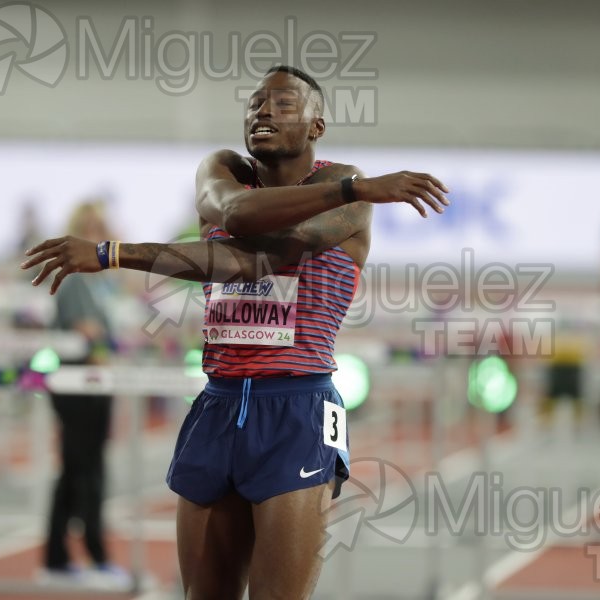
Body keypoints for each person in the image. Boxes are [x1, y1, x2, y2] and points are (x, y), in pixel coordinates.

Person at [22, 65, 448, 599]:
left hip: (296, 408)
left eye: (283, 104)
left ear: (318, 126)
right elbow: (237, 213)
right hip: (217, 405)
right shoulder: (224, 170)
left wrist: (114, 253)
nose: (262, 111)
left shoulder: (347, 196)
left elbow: (255, 259)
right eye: (254, 103)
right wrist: (356, 186)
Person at [40, 200, 129, 588]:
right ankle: (92, 557)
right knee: (85, 473)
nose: (98, 235)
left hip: (95, 384)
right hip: (80, 386)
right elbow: (89, 334)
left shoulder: (100, 283)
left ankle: (58, 558)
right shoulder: (75, 278)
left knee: (78, 471)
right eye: (90, 228)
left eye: (102, 228)